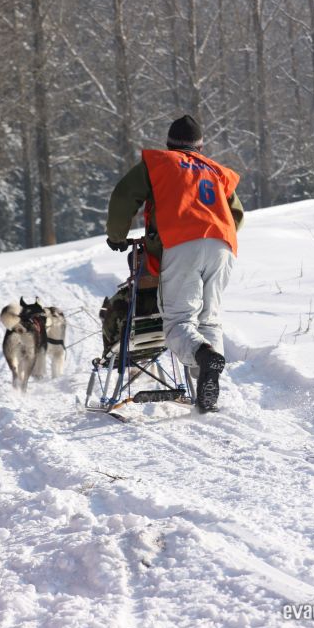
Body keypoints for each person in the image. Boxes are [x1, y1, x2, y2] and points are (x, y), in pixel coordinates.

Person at [106, 115, 244, 413]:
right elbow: (237, 215)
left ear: (169, 144)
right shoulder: (215, 170)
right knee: (209, 320)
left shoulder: (160, 163)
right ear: (200, 147)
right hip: (223, 245)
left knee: (179, 322)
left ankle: (203, 356)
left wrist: (116, 236)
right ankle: (206, 389)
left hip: (182, 244)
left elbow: (124, 195)